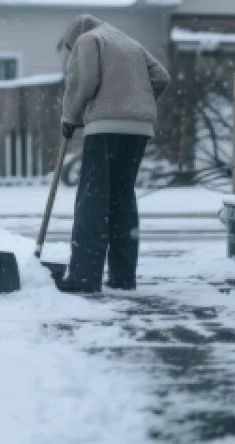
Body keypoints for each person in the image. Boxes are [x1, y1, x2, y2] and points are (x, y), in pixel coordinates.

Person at [54, 15, 170, 293]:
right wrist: (136, 101)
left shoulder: (88, 39)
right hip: (139, 129)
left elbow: (84, 81)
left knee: (92, 201)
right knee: (122, 199)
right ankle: (123, 276)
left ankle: (84, 278)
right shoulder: (128, 42)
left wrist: (70, 117)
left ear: (75, 38)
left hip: (105, 127)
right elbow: (161, 77)